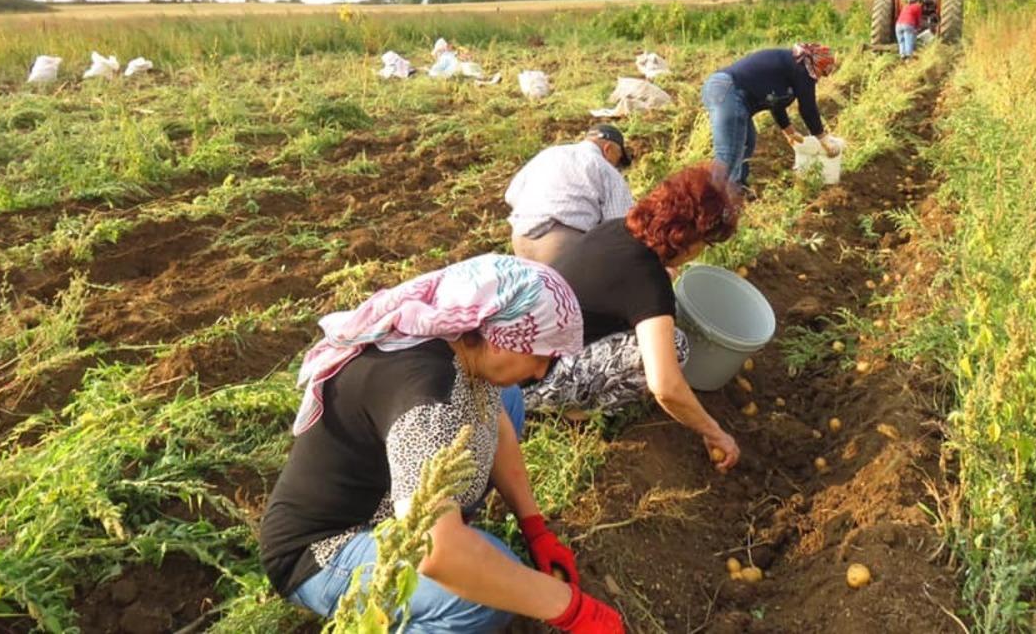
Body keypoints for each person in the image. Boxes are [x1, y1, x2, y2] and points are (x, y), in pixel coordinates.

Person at [260, 254, 623, 633]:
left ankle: (453, 518)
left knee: (509, 398)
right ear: (500, 339)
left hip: (394, 502)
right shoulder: (428, 403)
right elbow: (440, 554)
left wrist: (535, 527)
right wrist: (571, 608)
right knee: (479, 596)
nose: (540, 372)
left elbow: (496, 425)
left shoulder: (454, 343)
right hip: (325, 549)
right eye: (540, 357)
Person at [526, 163, 745, 474]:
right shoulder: (646, 280)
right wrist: (714, 431)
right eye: (704, 245)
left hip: (518, 362)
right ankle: (569, 412)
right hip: (535, 382)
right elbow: (666, 386)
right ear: (686, 239)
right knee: (676, 347)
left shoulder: (616, 229)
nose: (700, 252)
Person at [699, 43, 839, 190]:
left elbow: (775, 100)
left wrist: (788, 131)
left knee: (747, 142)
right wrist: (823, 138)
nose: (819, 78)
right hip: (729, 90)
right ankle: (715, 201)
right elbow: (808, 108)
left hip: (725, 89)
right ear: (817, 64)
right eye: (823, 73)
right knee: (729, 154)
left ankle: (736, 189)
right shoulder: (803, 69)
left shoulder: (792, 65)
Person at [505, 124, 634, 265]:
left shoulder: (549, 154)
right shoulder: (605, 169)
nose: (617, 166)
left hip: (520, 242)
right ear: (607, 149)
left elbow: (511, 195)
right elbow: (620, 228)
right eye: (618, 160)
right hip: (560, 247)